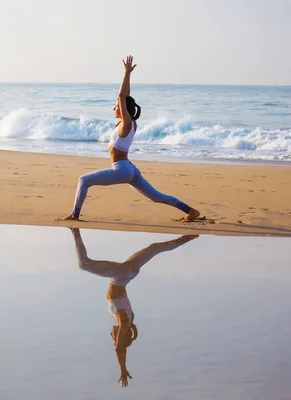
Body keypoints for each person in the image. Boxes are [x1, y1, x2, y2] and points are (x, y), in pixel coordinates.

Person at [62, 56, 201, 222]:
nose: (114, 107)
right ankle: (190, 211)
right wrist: (127, 80)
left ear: (123, 109)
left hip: (121, 169)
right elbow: (125, 98)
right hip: (130, 169)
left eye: (116, 106)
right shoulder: (127, 124)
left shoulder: (126, 124)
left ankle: (74, 215)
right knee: (156, 197)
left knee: (83, 180)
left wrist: (127, 74)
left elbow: (122, 97)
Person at [69, 227, 198, 387]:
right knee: (84, 264)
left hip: (130, 273)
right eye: (113, 337)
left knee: (155, 248)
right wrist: (122, 368)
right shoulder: (123, 321)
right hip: (121, 275)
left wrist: (128, 334)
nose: (111, 335)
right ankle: (75, 231)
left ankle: (190, 236)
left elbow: (126, 334)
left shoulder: (130, 320)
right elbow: (119, 349)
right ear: (120, 337)